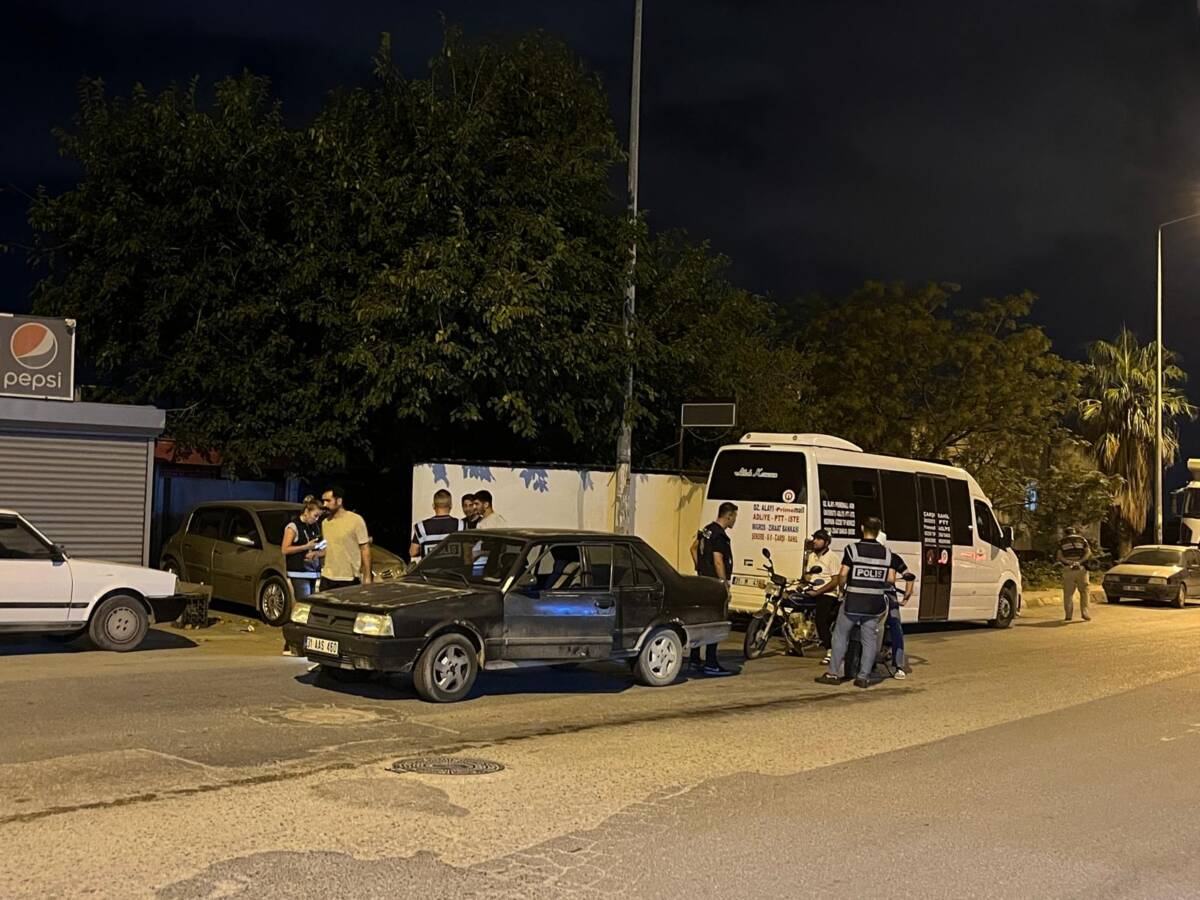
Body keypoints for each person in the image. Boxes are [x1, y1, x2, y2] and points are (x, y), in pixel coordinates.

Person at [817, 516, 895, 688]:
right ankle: (863, 677)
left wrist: (842, 590)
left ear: (862, 528)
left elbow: (843, 574)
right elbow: (890, 578)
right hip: (874, 604)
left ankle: (833, 674)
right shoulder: (887, 554)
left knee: (840, 636)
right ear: (878, 531)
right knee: (869, 640)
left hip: (853, 601)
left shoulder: (852, 549)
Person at [687, 502, 738, 677]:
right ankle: (711, 662)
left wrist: (700, 567)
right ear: (729, 515)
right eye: (735, 517)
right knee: (715, 622)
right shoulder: (719, 536)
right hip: (713, 584)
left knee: (700, 620)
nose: (735, 521)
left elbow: (693, 548)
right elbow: (718, 560)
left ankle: (694, 659)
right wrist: (723, 582)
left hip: (702, 580)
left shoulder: (707, 530)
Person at [280, 499, 323, 655]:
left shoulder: (314, 527)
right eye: (315, 515)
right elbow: (285, 549)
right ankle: (290, 643)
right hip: (299, 572)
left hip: (313, 571)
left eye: (319, 516)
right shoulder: (293, 527)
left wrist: (317, 551)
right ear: (306, 511)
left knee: (309, 608)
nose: (316, 519)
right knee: (302, 607)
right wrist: (306, 547)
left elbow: (320, 545)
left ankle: (302, 642)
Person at [319, 485, 373, 590]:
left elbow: (365, 549)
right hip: (327, 577)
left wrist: (367, 576)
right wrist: (315, 553)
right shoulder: (325, 523)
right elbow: (328, 547)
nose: (324, 504)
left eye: (328, 500)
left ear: (339, 501)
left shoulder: (356, 520)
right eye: (323, 501)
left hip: (348, 578)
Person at [803, 529, 840, 665]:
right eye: (815, 538)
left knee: (821, 620)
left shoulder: (832, 557)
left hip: (827, 593)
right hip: (813, 589)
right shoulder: (812, 556)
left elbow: (835, 580)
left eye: (819, 539)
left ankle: (830, 651)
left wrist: (818, 592)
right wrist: (806, 579)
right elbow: (809, 574)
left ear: (826, 542)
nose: (815, 541)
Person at [410, 489, 465, 560]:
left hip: (429, 570)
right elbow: (467, 551)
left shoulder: (421, 527)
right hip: (453, 570)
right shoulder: (461, 525)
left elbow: (413, 552)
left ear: (433, 506)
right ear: (450, 505)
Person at [1059, 525, 1092, 622]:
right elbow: (1088, 553)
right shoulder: (1082, 540)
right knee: (1084, 591)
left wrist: (1069, 562)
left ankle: (1068, 615)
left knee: (1068, 593)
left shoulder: (1061, 542)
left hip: (1068, 569)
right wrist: (1080, 562)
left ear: (1065, 533)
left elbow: (1059, 556)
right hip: (1081, 568)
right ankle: (1085, 613)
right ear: (1075, 532)